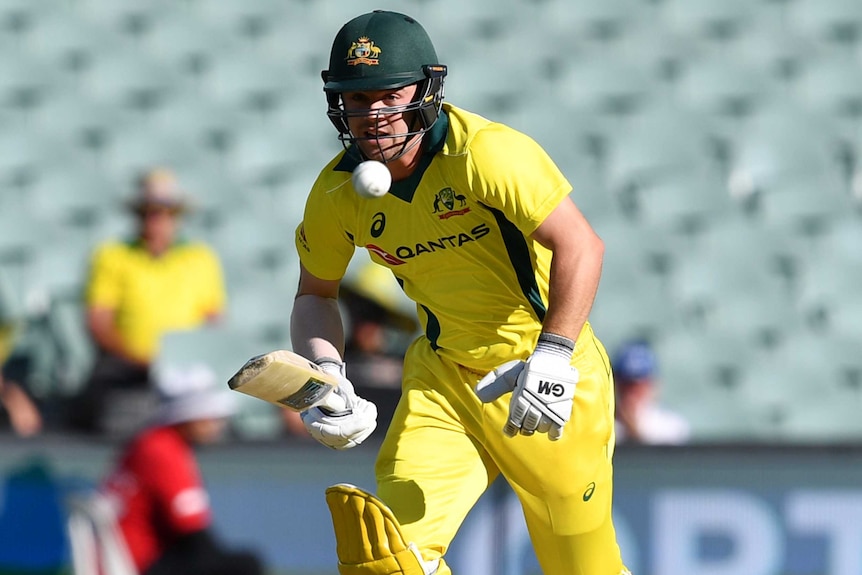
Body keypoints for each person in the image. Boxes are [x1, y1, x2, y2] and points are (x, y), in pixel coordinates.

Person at [282, 10, 630, 575]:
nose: (373, 115)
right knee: (388, 561)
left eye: (388, 95)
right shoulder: (337, 194)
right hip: (443, 379)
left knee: (582, 567)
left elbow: (582, 246)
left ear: (426, 89)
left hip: (543, 374)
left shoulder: (485, 155)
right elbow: (314, 295)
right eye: (357, 98)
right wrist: (327, 371)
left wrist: (556, 352)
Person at [67, 168, 227, 434]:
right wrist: (143, 361)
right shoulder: (112, 255)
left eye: (164, 211)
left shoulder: (201, 258)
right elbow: (99, 323)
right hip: (129, 375)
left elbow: (212, 321)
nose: (155, 219)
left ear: (176, 215)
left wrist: (186, 363)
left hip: (185, 376)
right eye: (148, 211)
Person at [100, 363, 265, 575]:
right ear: (190, 417)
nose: (217, 424)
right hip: (141, 563)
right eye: (210, 417)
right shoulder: (164, 450)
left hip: (137, 558)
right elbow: (194, 534)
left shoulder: (149, 442)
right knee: (246, 565)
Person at [612, 339, 691, 445]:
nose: (632, 392)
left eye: (639, 385)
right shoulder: (600, 425)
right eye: (626, 384)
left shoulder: (671, 427)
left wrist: (634, 432)